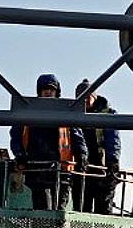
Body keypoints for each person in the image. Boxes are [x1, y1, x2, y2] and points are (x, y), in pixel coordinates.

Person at [10, 73, 88, 210]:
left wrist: (82, 155)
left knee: (60, 210)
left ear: (56, 92)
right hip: (38, 168)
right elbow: (16, 135)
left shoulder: (66, 112)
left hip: (62, 169)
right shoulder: (29, 112)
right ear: (39, 91)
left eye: (51, 89)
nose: (48, 92)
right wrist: (20, 155)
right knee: (42, 208)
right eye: (45, 89)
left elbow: (77, 136)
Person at [73, 79, 121, 215]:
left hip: (103, 167)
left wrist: (113, 162)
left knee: (104, 209)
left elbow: (113, 140)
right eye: (82, 97)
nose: (85, 100)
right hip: (82, 168)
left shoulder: (108, 114)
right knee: (82, 210)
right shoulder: (72, 116)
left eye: (88, 96)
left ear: (94, 97)